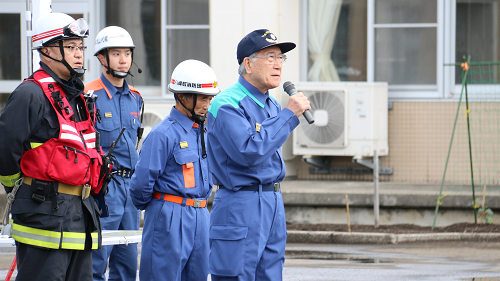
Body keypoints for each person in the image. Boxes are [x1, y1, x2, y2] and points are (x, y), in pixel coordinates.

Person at [0, 12, 102, 281]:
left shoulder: (77, 97)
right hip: (43, 218)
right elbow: (5, 149)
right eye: (70, 47)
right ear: (45, 50)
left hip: (79, 217)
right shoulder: (29, 94)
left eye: (80, 47)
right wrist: (18, 188)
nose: (79, 54)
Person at [206, 29, 311, 280]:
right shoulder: (227, 103)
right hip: (240, 201)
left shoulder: (271, 103)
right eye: (270, 57)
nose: (278, 64)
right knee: (237, 274)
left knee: (270, 274)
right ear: (248, 64)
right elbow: (249, 151)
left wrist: (285, 114)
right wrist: (289, 115)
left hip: (272, 199)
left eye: (281, 58)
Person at [130, 59, 219, 281]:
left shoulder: (203, 131)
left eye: (210, 99)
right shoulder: (163, 134)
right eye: (203, 99)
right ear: (183, 96)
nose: (207, 105)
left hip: (200, 214)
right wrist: (160, 208)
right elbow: (140, 185)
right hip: (169, 214)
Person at [85, 26, 143, 281]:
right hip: (103, 189)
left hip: (131, 187)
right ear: (101, 58)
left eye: (127, 54)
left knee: (128, 264)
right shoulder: (88, 96)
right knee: (96, 263)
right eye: (116, 53)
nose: (123, 60)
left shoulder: (136, 98)